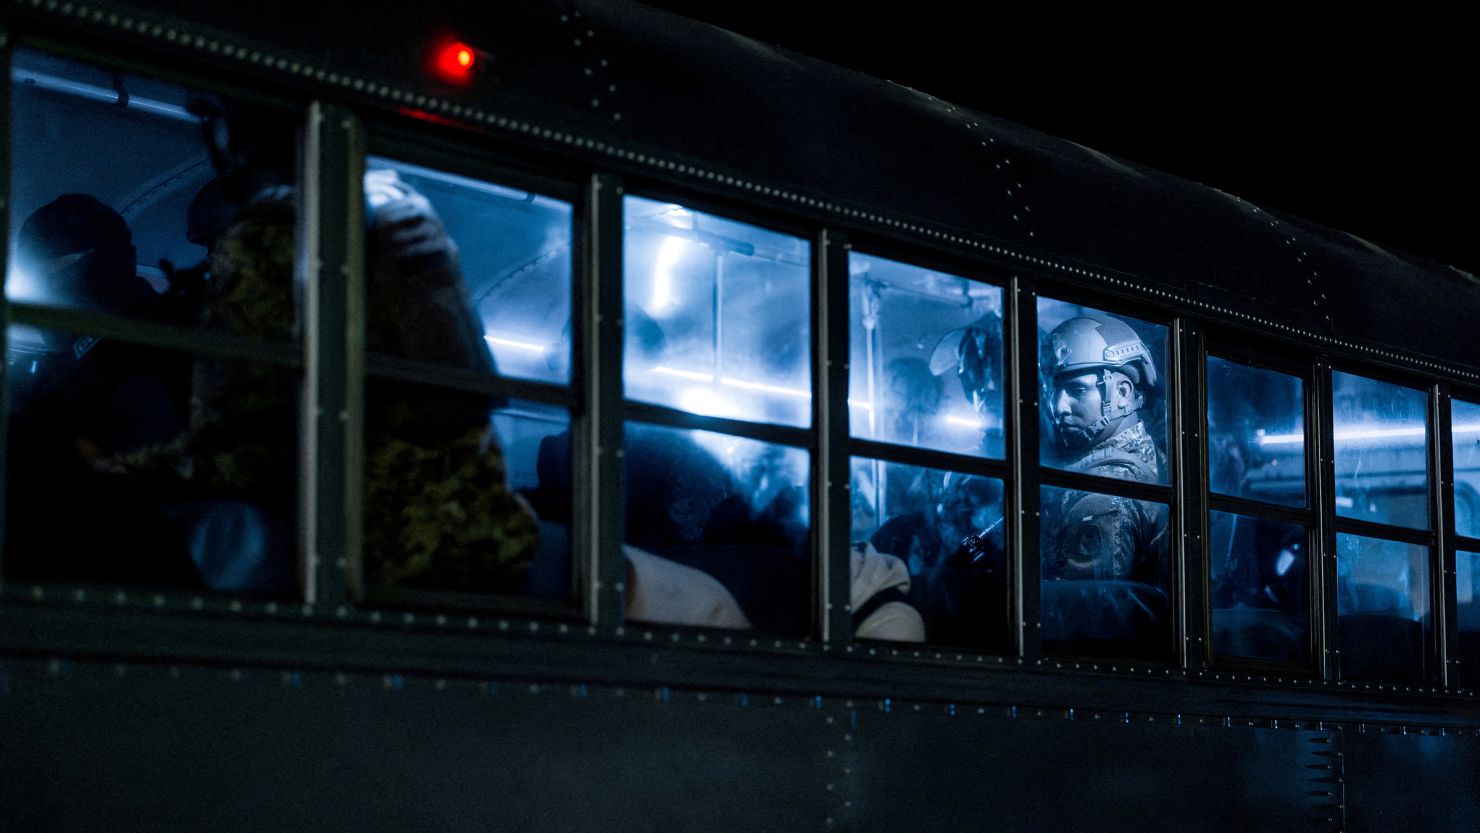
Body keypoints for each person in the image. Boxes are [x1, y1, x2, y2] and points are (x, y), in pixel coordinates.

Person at [1039, 313, 1170, 657]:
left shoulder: (1104, 496)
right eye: (1054, 389)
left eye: (1076, 389)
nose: (1058, 407)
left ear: (1122, 393)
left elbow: (1085, 624)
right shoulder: (1151, 460)